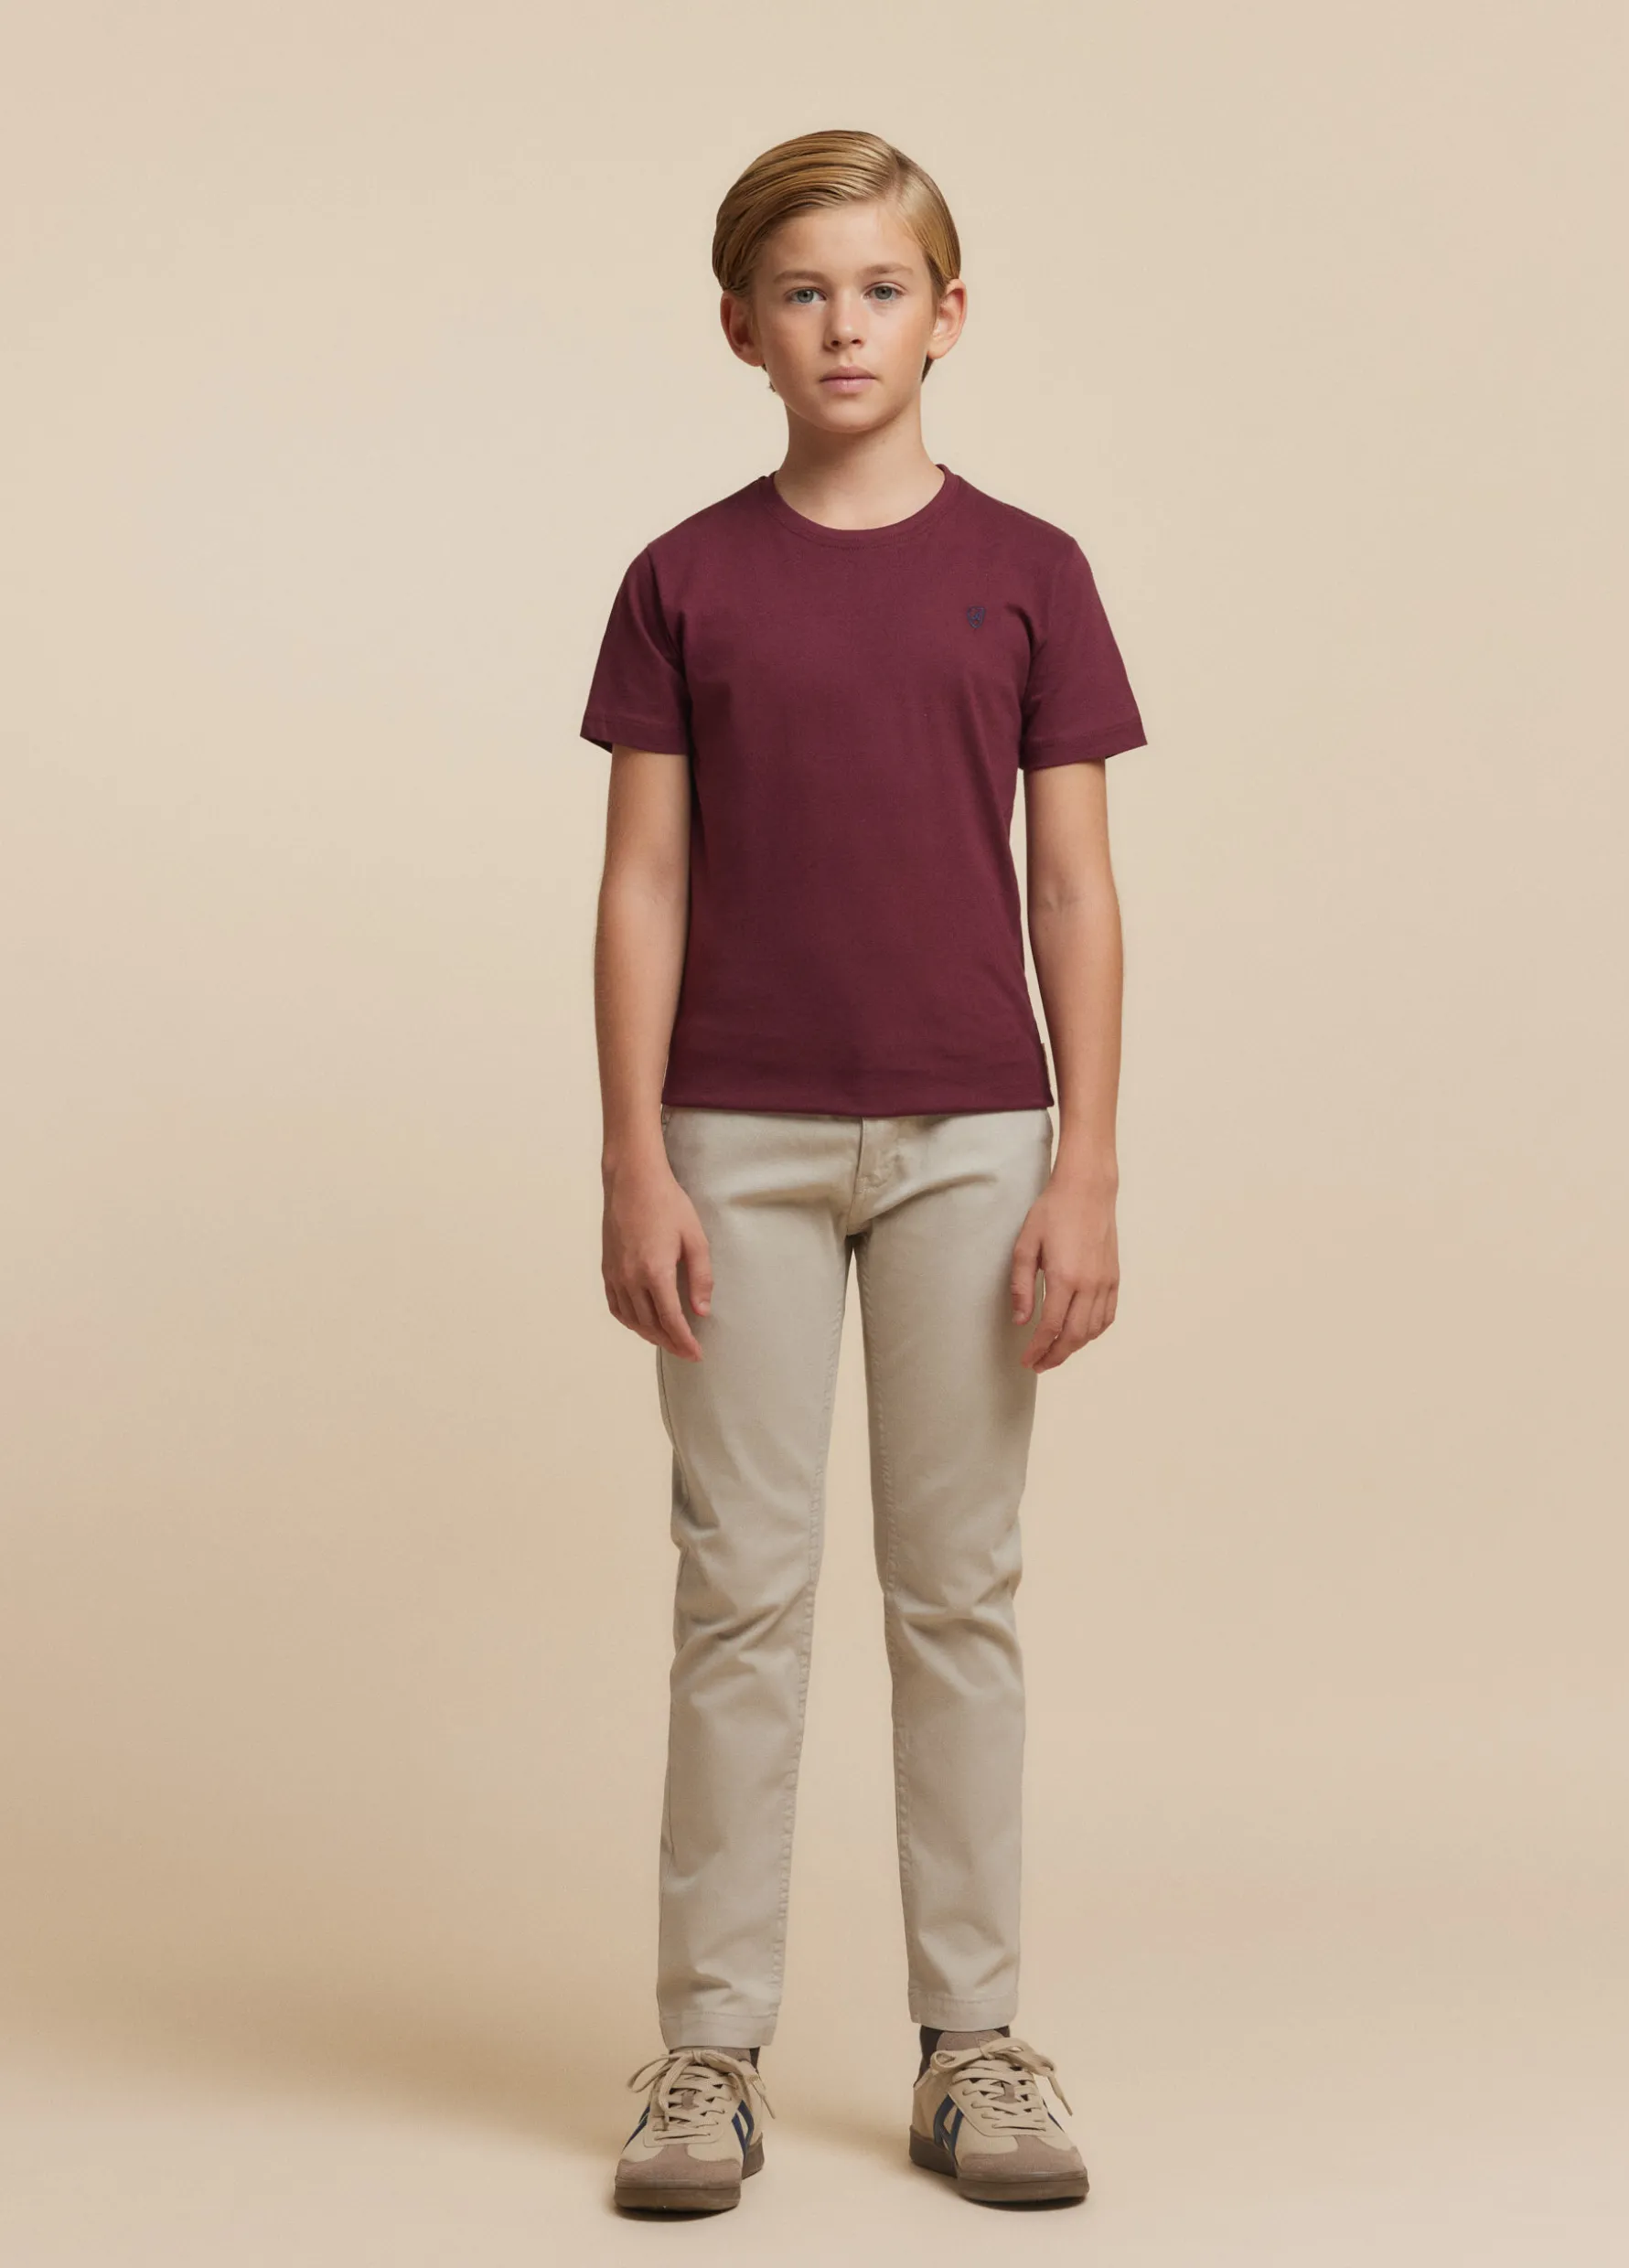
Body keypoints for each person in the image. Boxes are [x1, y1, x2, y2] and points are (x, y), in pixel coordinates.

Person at [581, 127, 1147, 2214]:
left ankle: (974, 2041)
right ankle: (704, 2055)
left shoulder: (1032, 570)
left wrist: (1087, 1169)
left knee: (956, 1592)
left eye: (882, 288)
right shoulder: (685, 579)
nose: (846, 325)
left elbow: (1073, 889)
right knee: (737, 1593)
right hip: (729, 1137)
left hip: (975, 1139)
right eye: (804, 291)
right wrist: (633, 1158)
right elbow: (644, 881)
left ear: (948, 315)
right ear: (742, 328)